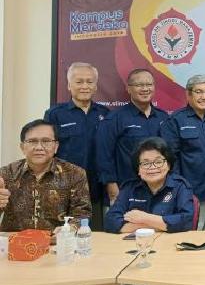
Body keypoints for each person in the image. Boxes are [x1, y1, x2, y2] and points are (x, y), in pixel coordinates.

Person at [44, 62, 109, 230]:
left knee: (93, 234)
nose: (85, 86)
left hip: (96, 188)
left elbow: (109, 151)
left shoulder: (105, 113)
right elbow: (47, 151)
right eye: (79, 82)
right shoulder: (55, 114)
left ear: (95, 86)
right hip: (63, 189)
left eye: (89, 82)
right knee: (64, 234)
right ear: (69, 85)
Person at [0, 119, 91, 232]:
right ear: (22, 147)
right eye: (32, 141)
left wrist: (70, 229)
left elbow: (82, 213)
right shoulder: (5, 174)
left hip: (57, 240)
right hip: (14, 240)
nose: (39, 147)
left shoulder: (75, 174)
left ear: (56, 146)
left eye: (46, 141)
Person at [160, 74, 205, 229]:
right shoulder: (176, 120)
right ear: (188, 94)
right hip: (190, 196)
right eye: (199, 92)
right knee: (190, 238)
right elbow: (170, 160)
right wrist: (179, 192)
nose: (204, 96)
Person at [97, 68, 169, 206]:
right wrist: (111, 186)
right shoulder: (115, 119)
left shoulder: (164, 118)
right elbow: (104, 156)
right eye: (139, 85)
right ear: (128, 88)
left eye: (149, 84)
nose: (145, 89)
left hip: (159, 190)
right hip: (126, 191)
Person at [104, 137, 194, 233]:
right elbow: (110, 222)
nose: (152, 167)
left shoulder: (180, 186)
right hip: (136, 241)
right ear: (138, 169)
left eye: (158, 162)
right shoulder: (129, 188)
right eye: (146, 163)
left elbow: (186, 222)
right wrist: (158, 225)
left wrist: (145, 218)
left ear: (168, 165)